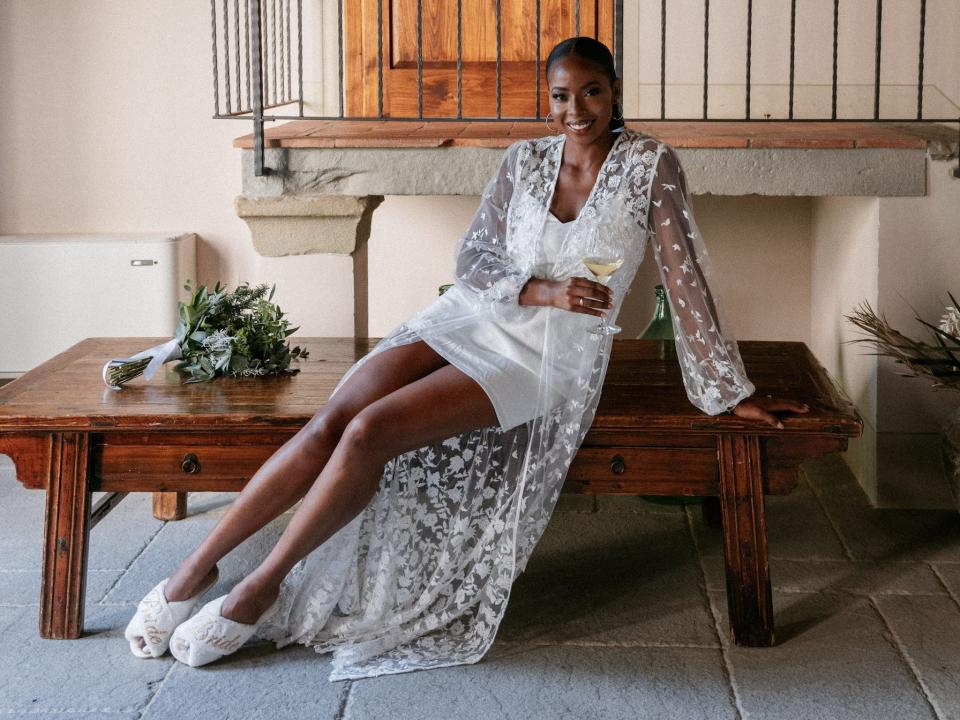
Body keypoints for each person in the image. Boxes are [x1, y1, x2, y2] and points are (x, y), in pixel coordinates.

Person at [124, 36, 809, 680]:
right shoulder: (525, 160)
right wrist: (539, 286)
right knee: (336, 417)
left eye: (592, 93)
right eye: (563, 96)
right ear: (549, 98)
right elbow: (474, 259)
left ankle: (258, 586)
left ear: (615, 91)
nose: (577, 111)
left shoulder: (649, 165)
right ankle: (195, 572)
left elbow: (685, 277)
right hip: (472, 315)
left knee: (371, 432)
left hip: (550, 354)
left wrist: (728, 390)